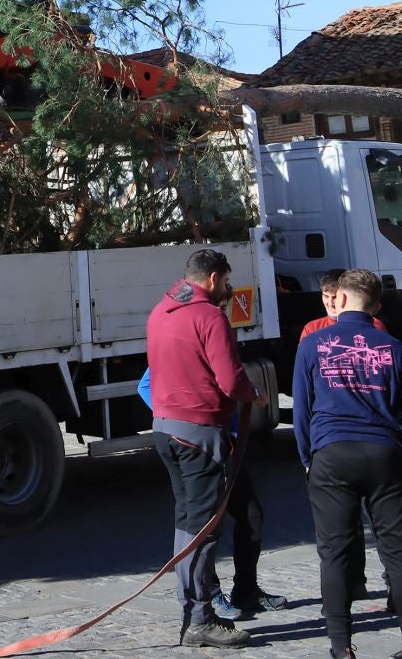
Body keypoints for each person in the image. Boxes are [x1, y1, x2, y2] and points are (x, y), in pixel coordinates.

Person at [294, 269, 402, 659]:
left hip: (331, 453)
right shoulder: (396, 349)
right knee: (400, 554)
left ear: (338, 300)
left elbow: (301, 412)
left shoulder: (312, 344)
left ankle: (341, 647)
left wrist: (308, 458)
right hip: (385, 454)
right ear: (376, 306)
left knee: (335, 553)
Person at [146, 247, 262, 649]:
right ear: (213, 279)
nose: (228, 289)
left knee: (186, 524)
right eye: (227, 282)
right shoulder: (209, 316)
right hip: (199, 433)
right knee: (203, 529)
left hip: (165, 429)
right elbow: (230, 381)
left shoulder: (161, 311)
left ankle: (190, 610)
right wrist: (255, 394)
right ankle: (198, 619)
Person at [137, 367, 289, 623]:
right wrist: (184, 417)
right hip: (201, 443)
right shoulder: (189, 340)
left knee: (251, 514)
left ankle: (246, 591)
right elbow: (145, 386)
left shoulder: (220, 337)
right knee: (204, 523)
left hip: (227, 443)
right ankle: (211, 594)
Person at [301, 271, 389, 340]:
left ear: (344, 297)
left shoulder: (375, 326)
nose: (330, 303)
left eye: (335, 297)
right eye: (326, 296)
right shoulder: (312, 328)